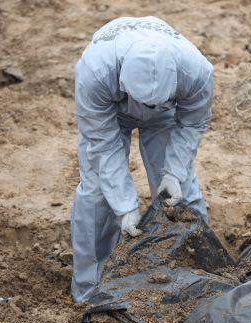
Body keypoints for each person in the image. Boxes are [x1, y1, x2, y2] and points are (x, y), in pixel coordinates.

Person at [71, 16, 213, 302]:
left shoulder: (196, 71)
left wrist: (173, 172)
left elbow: (192, 124)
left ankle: (202, 280)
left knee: (180, 193)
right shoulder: (94, 73)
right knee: (98, 193)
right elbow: (103, 145)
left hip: (166, 111)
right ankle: (89, 291)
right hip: (111, 107)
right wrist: (125, 207)